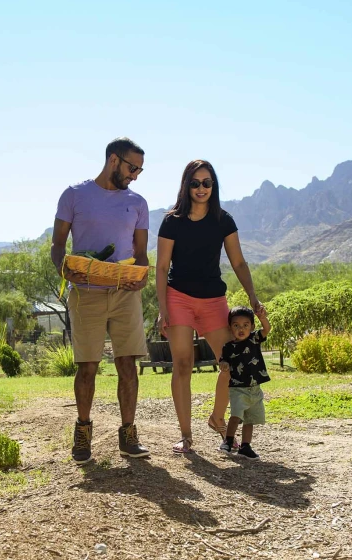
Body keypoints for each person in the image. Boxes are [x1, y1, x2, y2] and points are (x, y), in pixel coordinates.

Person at [156, 159, 268, 454]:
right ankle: (185, 435)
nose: (201, 188)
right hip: (178, 297)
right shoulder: (171, 221)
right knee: (182, 365)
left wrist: (253, 297)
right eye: (195, 183)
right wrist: (163, 309)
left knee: (231, 363)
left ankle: (217, 417)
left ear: (213, 185)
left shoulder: (224, 220)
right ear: (186, 186)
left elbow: (239, 262)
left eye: (207, 182)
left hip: (213, 301)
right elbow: (161, 267)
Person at [52, 137, 151, 464]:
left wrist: (142, 274)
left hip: (125, 295)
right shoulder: (74, 195)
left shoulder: (138, 203)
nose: (135, 174)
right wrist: (66, 271)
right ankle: (83, 432)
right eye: (131, 167)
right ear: (113, 160)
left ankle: (128, 434)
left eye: (140, 169)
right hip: (86, 294)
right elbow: (57, 246)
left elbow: (140, 254)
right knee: (87, 367)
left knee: (128, 365)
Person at [219, 306, 271, 458]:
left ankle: (245, 446)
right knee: (236, 415)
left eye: (245, 325)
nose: (241, 329)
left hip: (255, 388)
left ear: (252, 327)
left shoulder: (254, 339)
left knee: (250, 419)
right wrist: (224, 365)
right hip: (238, 388)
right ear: (230, 328)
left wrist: (262, 317)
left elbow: (267, 329)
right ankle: (228, 441)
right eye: (236, 325)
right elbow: (224, 361)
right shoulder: (228, 347)